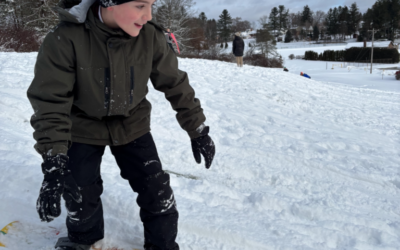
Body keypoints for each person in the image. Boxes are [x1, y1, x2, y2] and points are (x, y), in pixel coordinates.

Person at [26, 0, 216, 250]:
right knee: (80, 191)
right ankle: (83, 240)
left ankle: (163, 245)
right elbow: (51, 101)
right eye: (140, 5)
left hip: (132, 123)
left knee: (156, 189)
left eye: (151, 5)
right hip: (82, 126)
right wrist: (54, 161)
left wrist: (197, 129)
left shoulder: (150, 36)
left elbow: (175, 84)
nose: (148, 15)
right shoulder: (65, 38)